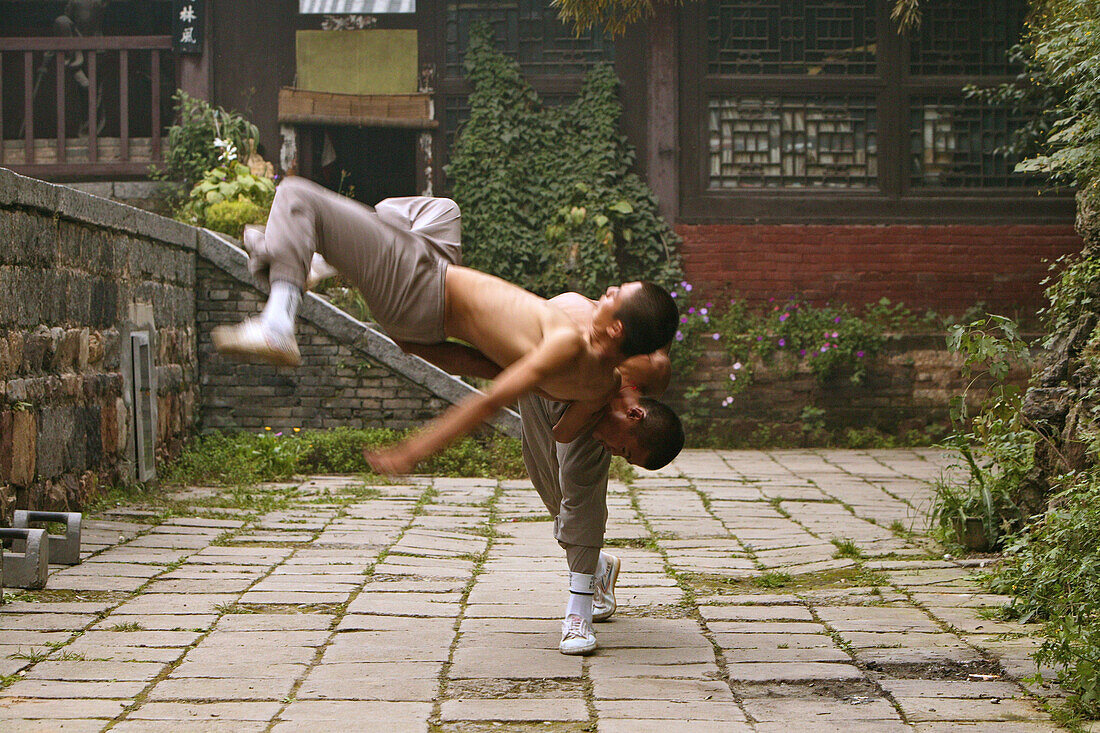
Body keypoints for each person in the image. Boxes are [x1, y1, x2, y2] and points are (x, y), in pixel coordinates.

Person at [213, 177, 678, 475]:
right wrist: (419, 349)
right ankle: (307, 255)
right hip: (432, 275)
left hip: (419, 287)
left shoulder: (566, 346)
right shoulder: (594, 385)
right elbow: (557, 423)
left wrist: (415, 450)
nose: (607, 292)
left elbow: (492, 401)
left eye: (615, 295)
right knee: (441, 211)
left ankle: (279, 318)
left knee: (296, 195)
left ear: (616, 329)